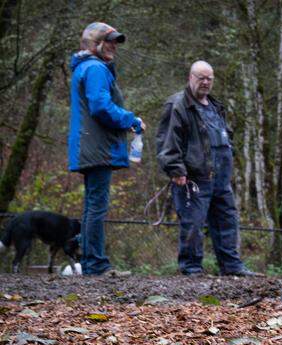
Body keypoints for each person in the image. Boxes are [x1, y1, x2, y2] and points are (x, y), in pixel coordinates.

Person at [157, 61, 260, 277]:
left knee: (227, 220)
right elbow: (168, 140)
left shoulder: (215, 106)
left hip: (221, 177)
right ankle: (192, 268)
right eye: (201, 77)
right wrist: (176, 169)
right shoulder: (177, 105)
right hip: (193, 178)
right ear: (190, 77)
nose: (205, 82)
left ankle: (231, 266)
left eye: (209, 78)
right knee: (193, 224)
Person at [68, 22, 144, 277]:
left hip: (89, 146)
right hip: (97, 146)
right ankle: (96, 264)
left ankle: (91, 263)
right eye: (109, 41)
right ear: (95, 43)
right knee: (97, 206)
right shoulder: (96, 68)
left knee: (92, 205)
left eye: (115, 42)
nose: (113, 46)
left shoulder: (85, 67)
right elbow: (101, 106)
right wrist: (131, 120)